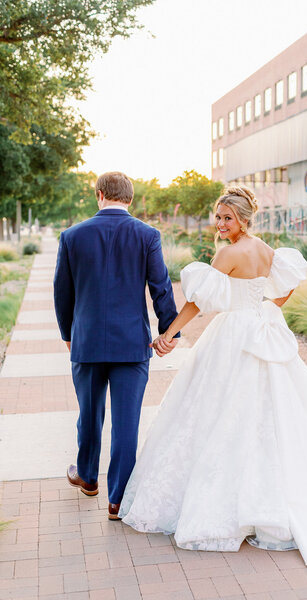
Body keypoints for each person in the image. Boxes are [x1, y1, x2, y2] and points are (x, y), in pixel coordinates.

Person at [119, 185, 307, 574]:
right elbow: (287, 285)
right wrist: (267, 309)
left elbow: (199, 302)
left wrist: (169, 334)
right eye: (217, 217)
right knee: (269, 417)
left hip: (234, 335)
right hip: (260, 329)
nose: (220, 224)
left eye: (227, 218)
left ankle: (235, 505)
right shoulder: (266, 250)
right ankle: (271, 502)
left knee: (219, 413)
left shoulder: (229, 252)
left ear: (243, 219)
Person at [53, 171, 179, 520]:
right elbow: (161, 286)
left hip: (88, 341)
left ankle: (88, 477)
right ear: (130, 198)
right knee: (127, 423)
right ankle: (117, 501)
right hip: (131, 344)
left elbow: (62, 291)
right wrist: (169, 331)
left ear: (99, 194)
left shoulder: (72, 236)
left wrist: (68, 334)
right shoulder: (147, 235)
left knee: (90, 415)